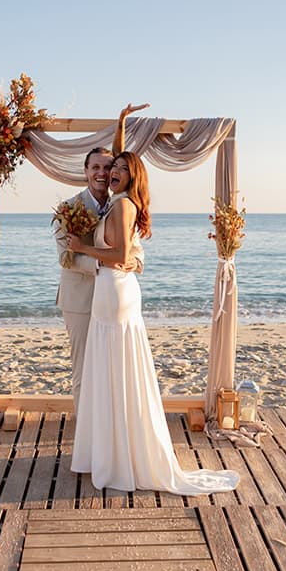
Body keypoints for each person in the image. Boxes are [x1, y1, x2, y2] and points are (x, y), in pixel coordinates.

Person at [66, 150, 240, 494]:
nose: (112, 172)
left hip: (114, 291)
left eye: (119, 169)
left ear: (133, 176)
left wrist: (84, 248)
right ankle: (113, 450)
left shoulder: (122, 205)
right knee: (112, 370)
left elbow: (119, 257)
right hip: (112, 292)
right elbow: (123, 252)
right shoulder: (123, 202)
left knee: (115, 369)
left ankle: (117, 455)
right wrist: (121, 123)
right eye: (109, 167)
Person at [54, 104, 149, 415]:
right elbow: (66, 258)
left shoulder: (120, 204)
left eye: (107, 168)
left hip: (113, 299)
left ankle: (108, 432)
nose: (102, 173)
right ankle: (85, 433)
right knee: (83, 370)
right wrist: (105, 263)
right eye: (95, 167)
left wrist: (132, 262)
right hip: (81, 300)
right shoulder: (67, 209)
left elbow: (133, 250)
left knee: (112, 370)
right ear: (85, 171)